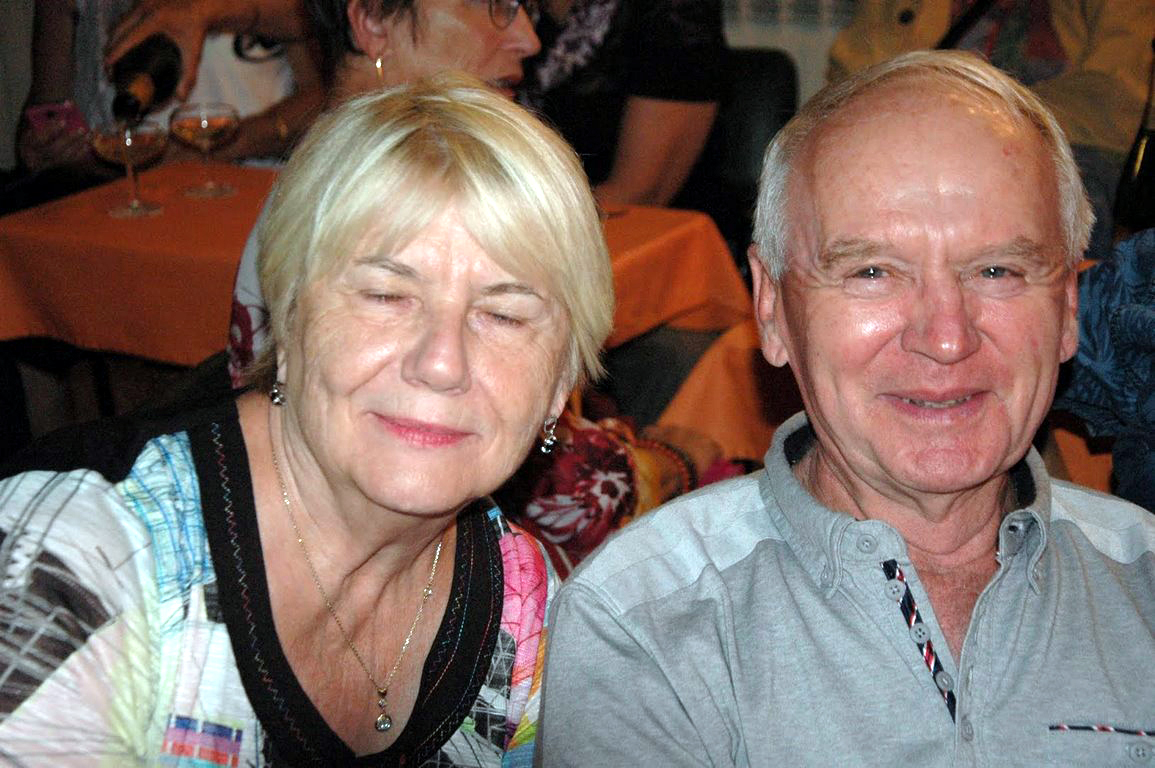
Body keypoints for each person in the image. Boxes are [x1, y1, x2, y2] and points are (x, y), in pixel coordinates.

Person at [538, 51, 1155, 764]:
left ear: (1069, 307)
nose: (946, 338)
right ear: (772, 308)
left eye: (996, 270)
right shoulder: (646, 626)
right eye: (871, 271)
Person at [0, 76, 612, 764]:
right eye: (385, 295)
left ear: (560, 384)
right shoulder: (79, 564)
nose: (442, 363)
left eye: (503, 314)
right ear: (286, 320)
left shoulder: (520, 607)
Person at [827, 0, 1155, 258]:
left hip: (1067, 145)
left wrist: (982, 126)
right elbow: (850, 84)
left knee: (1053, 198)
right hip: (916, 140)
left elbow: (1117, 97)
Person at [519, 0, 725, 208]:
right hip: (525, 208)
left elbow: (640, 195)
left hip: (622, 221)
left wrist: (515, 215)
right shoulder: (515, 11)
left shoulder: (673, 13)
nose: (530, 45)